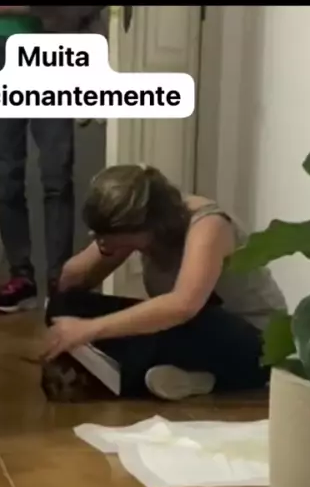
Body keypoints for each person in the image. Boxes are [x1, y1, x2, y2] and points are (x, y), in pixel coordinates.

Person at [43, 164, 287, 402]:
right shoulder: (144, 232)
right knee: (65, 305)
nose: (96, 237)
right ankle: (191, 379)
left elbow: (183, 305)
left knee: (171, 322)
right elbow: (72, 280)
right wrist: (107, 245)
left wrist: (89, 329)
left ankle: (128, 378)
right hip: (189, 332)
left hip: (255, 344)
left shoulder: (208, 225)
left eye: (106, 232)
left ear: (144, 227)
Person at [0, 5, 77, 314]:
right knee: (7, 174)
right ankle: (21, 278)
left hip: (52, 48)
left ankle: (60, 284)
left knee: (57, 174)